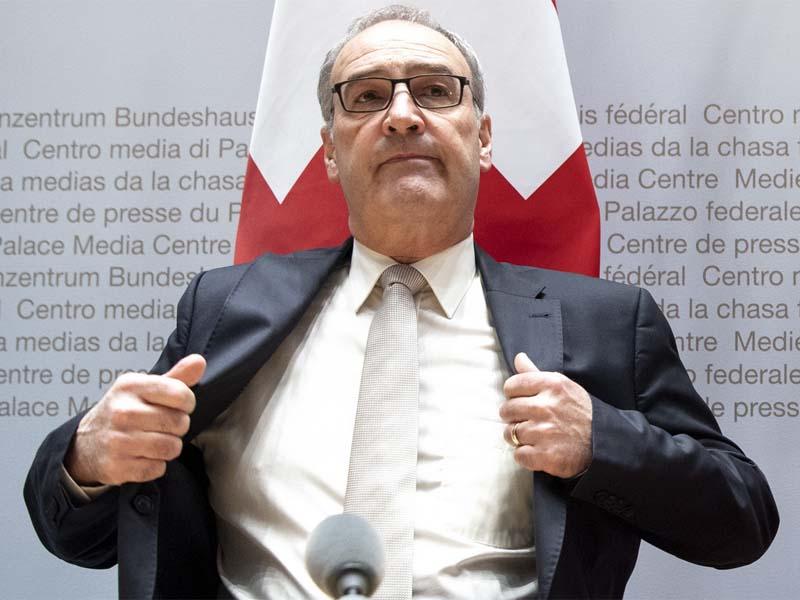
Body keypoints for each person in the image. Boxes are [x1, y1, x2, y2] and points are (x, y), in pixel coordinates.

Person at [25, 5, 778, 599]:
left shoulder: (605, 321)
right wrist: (89, 457)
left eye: (436, 91)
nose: (403, 114)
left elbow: (742, 521)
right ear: (329, 150)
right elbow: (83, 536)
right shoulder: (226, 306)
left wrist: (600, 443)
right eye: (366, 96)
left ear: (484, 137)